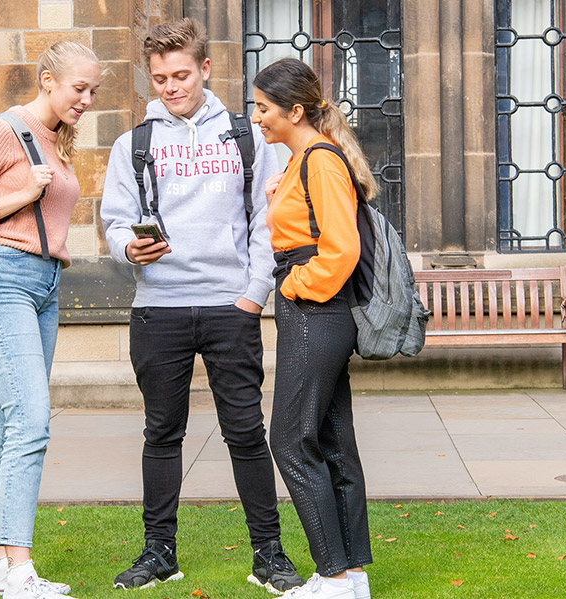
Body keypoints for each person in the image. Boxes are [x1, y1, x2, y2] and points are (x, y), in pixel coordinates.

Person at [99, 18, 303, 594]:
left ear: (206, 69)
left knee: (245, 433)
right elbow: (113, 224)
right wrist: (129, 247)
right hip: (157, 308)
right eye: (160, 77)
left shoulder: (246, 136)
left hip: (228, 308)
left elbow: (268, 221)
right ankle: (158, 551)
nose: (170, 86)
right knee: (161, 435)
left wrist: (252, 295)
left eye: (180, 74)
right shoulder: (132, 143)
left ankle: (269, 554)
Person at [0, 42, 100, 599]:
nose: (88, 99)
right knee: (32, 420)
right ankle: (21, 569)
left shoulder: (56, 139)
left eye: (94, 90)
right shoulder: (1, 132)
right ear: (48, 80)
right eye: (79, 87)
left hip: (43, 285)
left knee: (8, 425)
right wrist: (16, 198)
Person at [251, 57, 374, 599]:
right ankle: (350, 576)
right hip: (319, 312)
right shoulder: (306, 160)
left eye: (263, 108)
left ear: (294, 110)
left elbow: (341, 248)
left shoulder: (319, 160)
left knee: (291, 442)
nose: (256, 117)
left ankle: (330, 577)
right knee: (330, 441)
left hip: (314, 309)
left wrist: (295, 287)